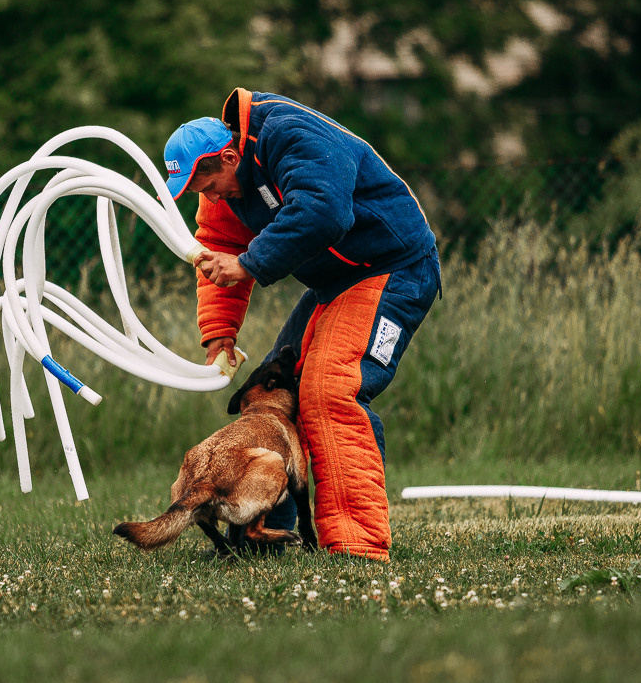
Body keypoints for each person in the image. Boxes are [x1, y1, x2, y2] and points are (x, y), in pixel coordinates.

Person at [163, 88, 441, 562]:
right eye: (197, 192)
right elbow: (213, 245)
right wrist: (219, 333)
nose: (209, 198)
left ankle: (356, 545)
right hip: (334, 281)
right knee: (273, 397)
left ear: (229, 156)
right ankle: (258, 536)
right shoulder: (224, 189)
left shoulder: (291, 135)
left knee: (330, 390)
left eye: (208, 186)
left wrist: (249, 263)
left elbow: (325, 212)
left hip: (393, 268)